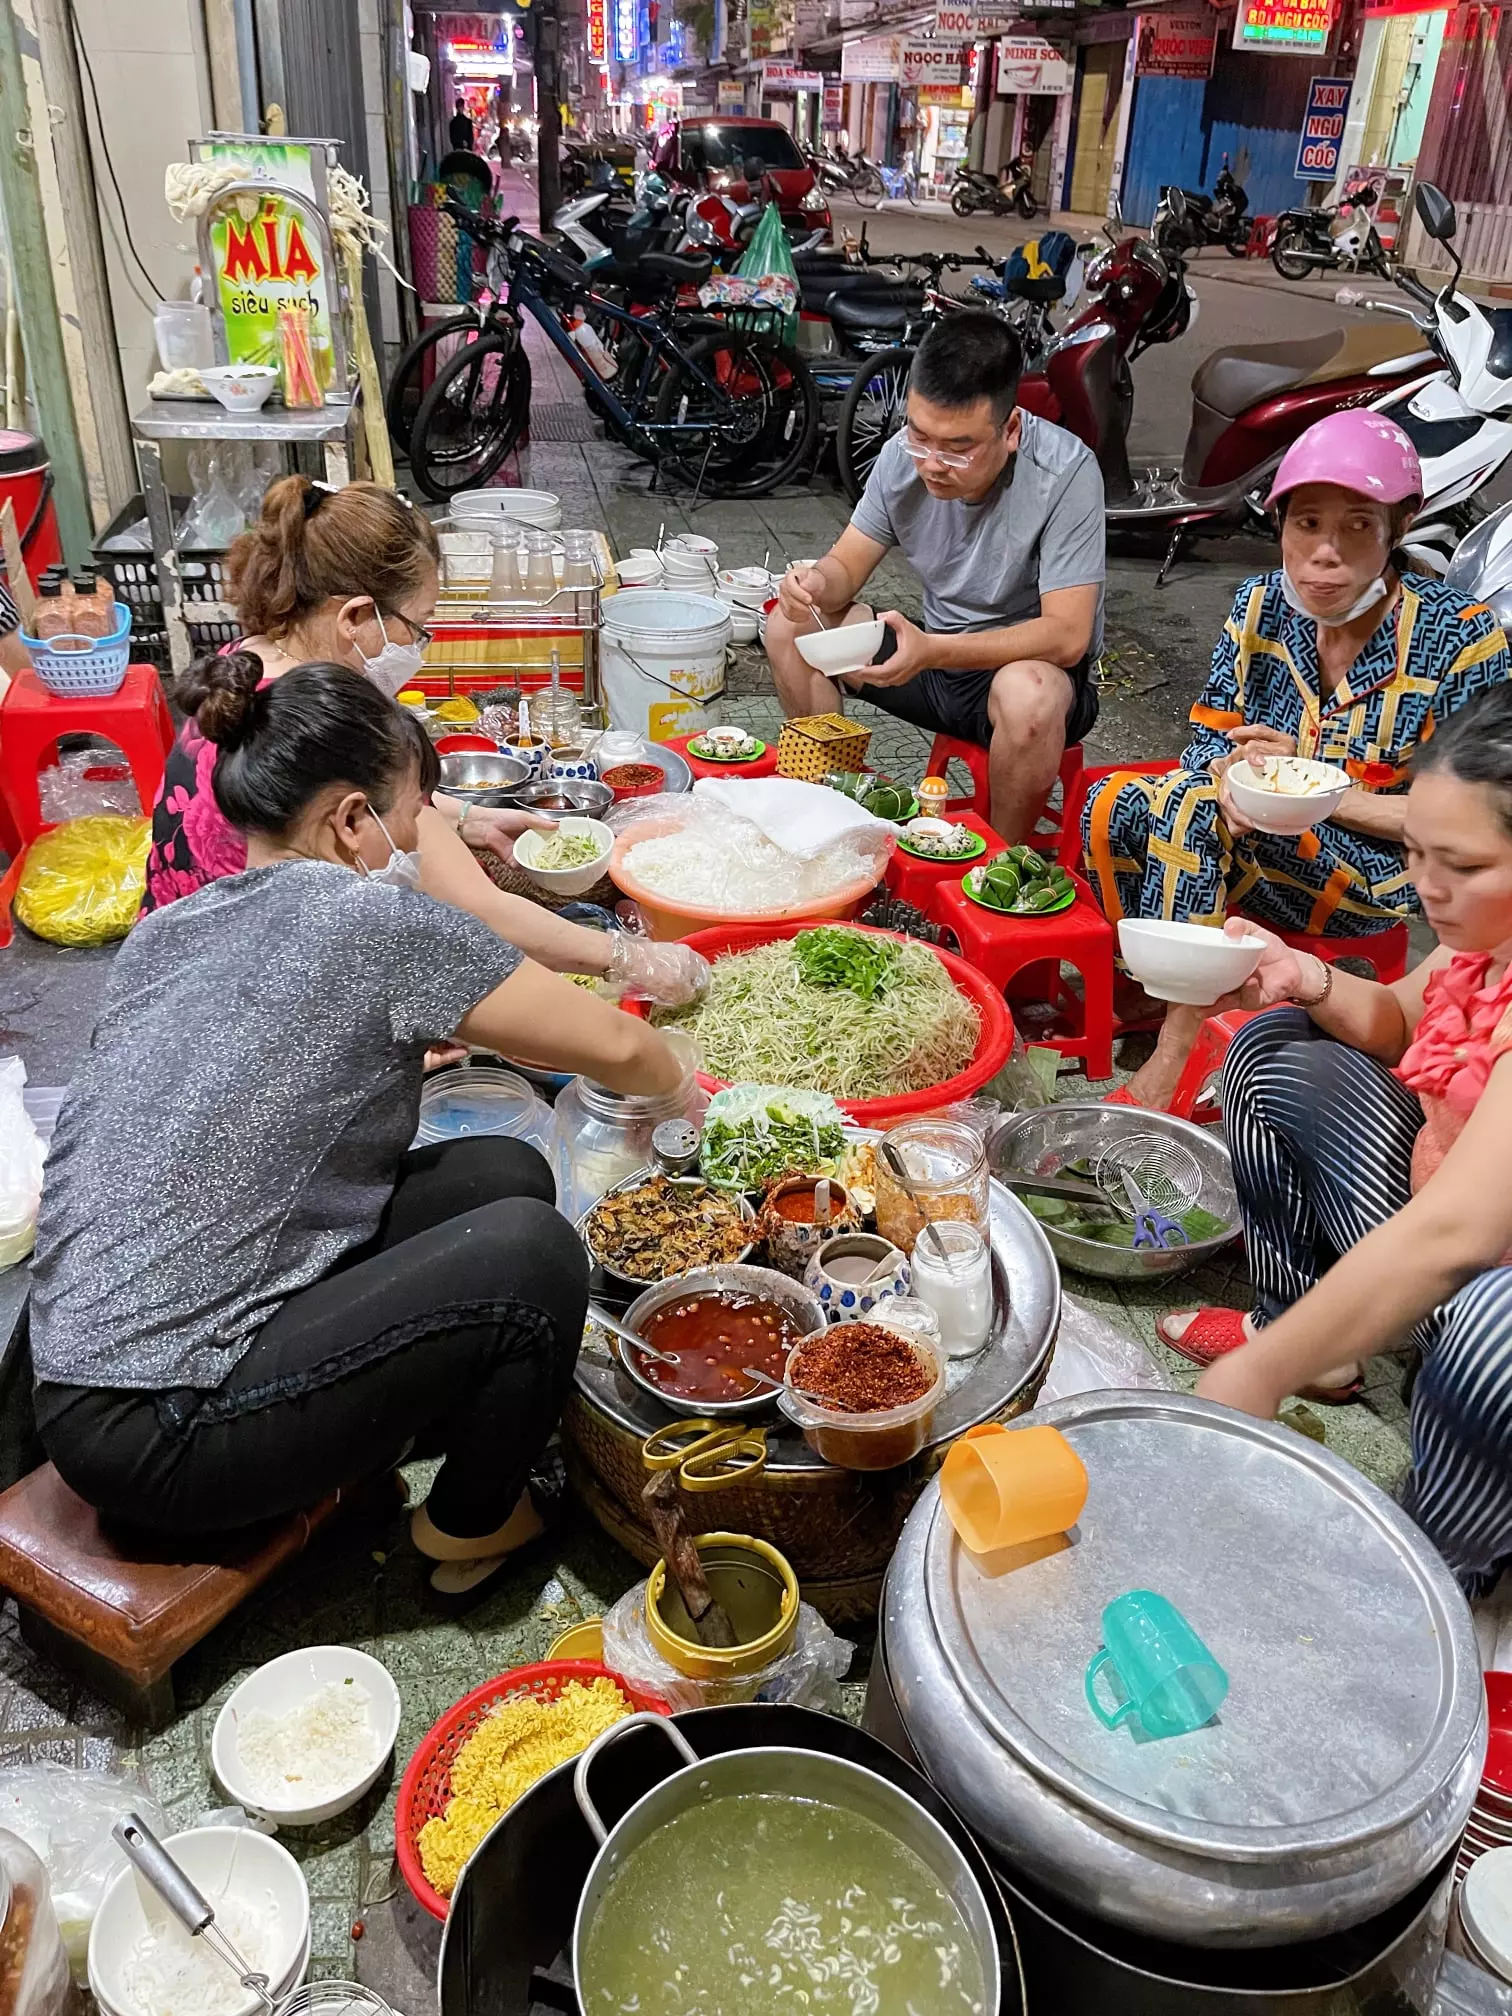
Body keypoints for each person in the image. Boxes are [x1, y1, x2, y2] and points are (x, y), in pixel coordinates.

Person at [30, 659, 687, 1597]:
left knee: (501, 1174)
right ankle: (471, 1526)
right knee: (535, 1255)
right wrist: (688, 1090)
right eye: (415, 815)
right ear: (348, 820)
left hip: (96, 1357)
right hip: (157, 1424)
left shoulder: (171, 927)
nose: (419, 838)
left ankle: (438, 1394)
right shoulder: (367, 919)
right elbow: (621, 1048)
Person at [1157, 686, 1512, 1590]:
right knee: (1277, 1050)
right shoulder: (1485, 939)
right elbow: (1397, 1021)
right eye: (1418, 854)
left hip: (1478, 1289)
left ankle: (1443, 1570)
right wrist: (1303, 975)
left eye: (1461, 866)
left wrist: (1255, 1374)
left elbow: (1459, 1235)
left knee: (1485, 1331)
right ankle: (1323, 1340)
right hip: (1434, 1239)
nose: (1429, 888)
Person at [1082, 412, 1510, 1110]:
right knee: (1120, 802)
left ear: (1398, 528)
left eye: (1358, 526)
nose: (1326, 554)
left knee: (1180, 811)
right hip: (1254, 846)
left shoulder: (1458, 638)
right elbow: (1210, 736)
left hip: (1371, 872)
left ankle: (1175, 1053)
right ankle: (1163, 988)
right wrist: (1226, 776)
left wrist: (1322, 794)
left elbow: (1472, 820)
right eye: (1307, 524)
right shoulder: (1259, 608)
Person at [144, 475, 704, 1006]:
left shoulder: (246, 665)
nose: (420, 646)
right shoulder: (331, 725)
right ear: (357, 617)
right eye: (418, 625)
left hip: (173, 958)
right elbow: (483, 912)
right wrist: (631, 958)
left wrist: (467, 819)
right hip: (251, 992)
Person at [764, 311, 1104, 842]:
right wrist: (811, 584)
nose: (932, 463)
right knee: (788, 628)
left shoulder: (1066, 473)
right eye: (920, 436)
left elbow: (1067, 636)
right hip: (932, 657)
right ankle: (833, 819)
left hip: (1022, 673)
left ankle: (993, 865)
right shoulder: (903, 456)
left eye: (958, 447)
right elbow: (845, 568)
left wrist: (934, 651)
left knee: (1028, 693)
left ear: (1010, 429)